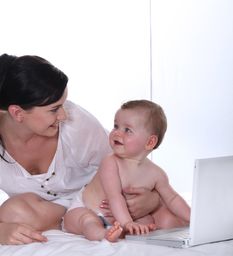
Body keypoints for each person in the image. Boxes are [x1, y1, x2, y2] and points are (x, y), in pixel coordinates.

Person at [0, 54, 160, 245]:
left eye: (63, 104)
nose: (64, 114)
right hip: (46, 209)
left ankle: (82, 219)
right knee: (12, 212)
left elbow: (132, 161)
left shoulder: (76, 124)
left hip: (96, 199)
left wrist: (154, 198)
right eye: (54, 109)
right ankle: (75, 220)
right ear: (17, 113)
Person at [63, 100, 191, 242]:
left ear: (150, 142)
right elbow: (115, 196)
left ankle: (121, 231)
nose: (117, 133)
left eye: (127, 130)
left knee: (149, 221)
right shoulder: (110, 162)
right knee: (87, 221)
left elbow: (173, 199)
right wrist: (127, 223)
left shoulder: (156, 173)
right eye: (116, 126)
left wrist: (193, 217)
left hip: (124, 217)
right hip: (89, 208)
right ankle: (103, 234)